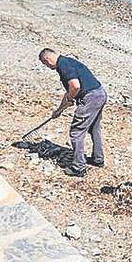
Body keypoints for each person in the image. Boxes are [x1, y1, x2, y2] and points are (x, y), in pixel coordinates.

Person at [38, 48, 108, 177]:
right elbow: (70, 92)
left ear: (47, 59)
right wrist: (59, 110)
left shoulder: (63, 64)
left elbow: (75, 86)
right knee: (94, 128)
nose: (47, 67)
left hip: (90, 97)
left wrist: (70, 98)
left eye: (45, 64)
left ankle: (78, 167)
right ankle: (98, 159)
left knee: (76, 132)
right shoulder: (67, 61)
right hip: (99, 93)